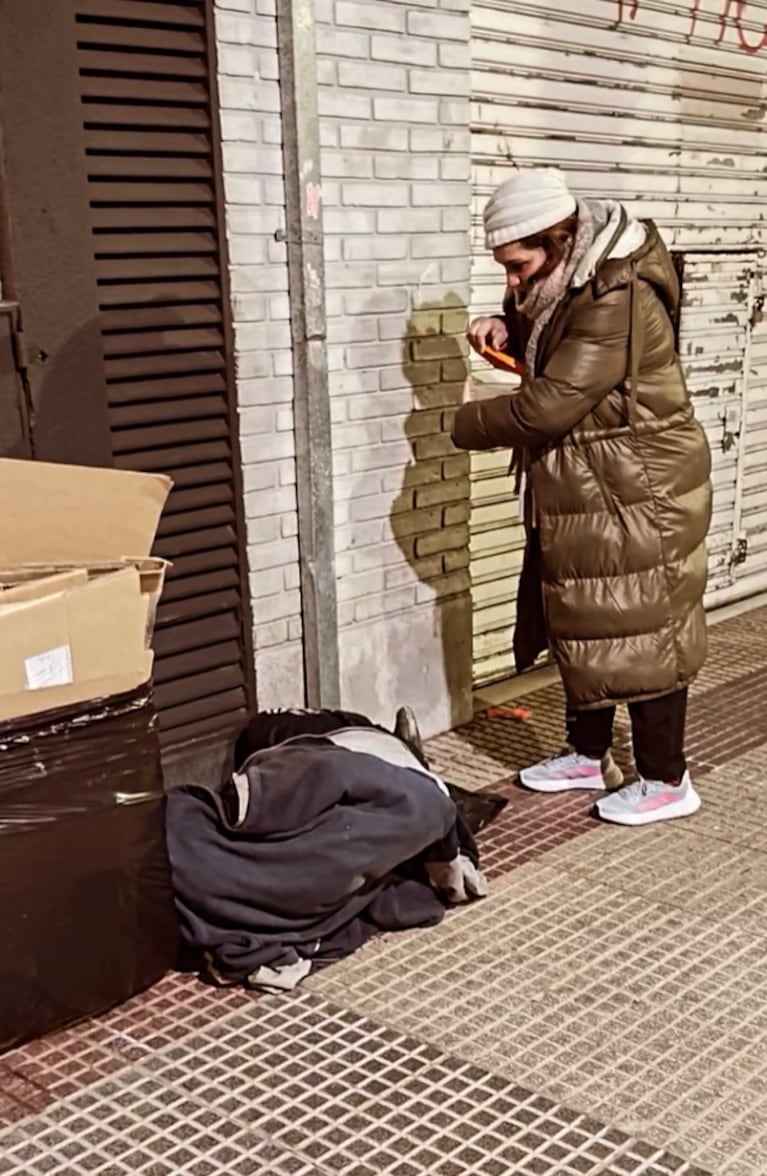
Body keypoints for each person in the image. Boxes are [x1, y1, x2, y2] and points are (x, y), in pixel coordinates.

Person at [451, 168, 712, 827]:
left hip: (637, 487)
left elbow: (550, 405)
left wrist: (463, 420)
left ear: (559, 240)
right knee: (582, 616)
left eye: (517, 268)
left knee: (640, 627)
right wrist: (508, 322)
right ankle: (587, 753)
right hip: (589, 482)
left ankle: (665, 779)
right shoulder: (575, 278)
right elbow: (553, 343)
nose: (512, 281)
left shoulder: (617, 295)